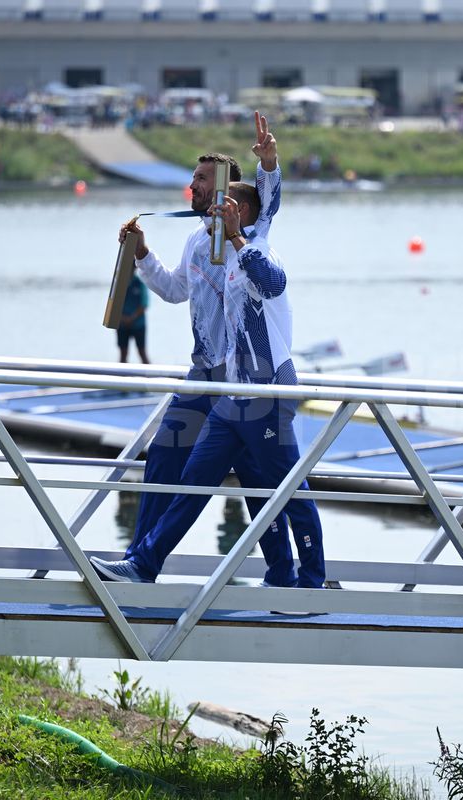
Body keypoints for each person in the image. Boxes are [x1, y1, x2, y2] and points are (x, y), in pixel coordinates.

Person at [98, 112, 303, 588]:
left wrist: (269, 163)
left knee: (256, 480)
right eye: (191, 178)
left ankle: (283, 574)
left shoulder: (251, 235)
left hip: (241, 382)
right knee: (164, 456)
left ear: (227, 189)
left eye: (200, 179)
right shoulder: (194, 239)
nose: (191, 186)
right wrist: (143, 254)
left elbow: (268, 203)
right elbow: (173, 291)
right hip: (202, 376)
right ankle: (137, 562)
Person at [117, 273, 150, 364]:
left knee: (142, 353)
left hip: (138, 324)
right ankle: (120, 377)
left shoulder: (140, 282)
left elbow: (144, 304)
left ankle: (151, 376)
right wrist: (122, 318)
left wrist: (131, 318)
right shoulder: (119, 283)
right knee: (123, 355)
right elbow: (114, 302)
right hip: (122, 324)